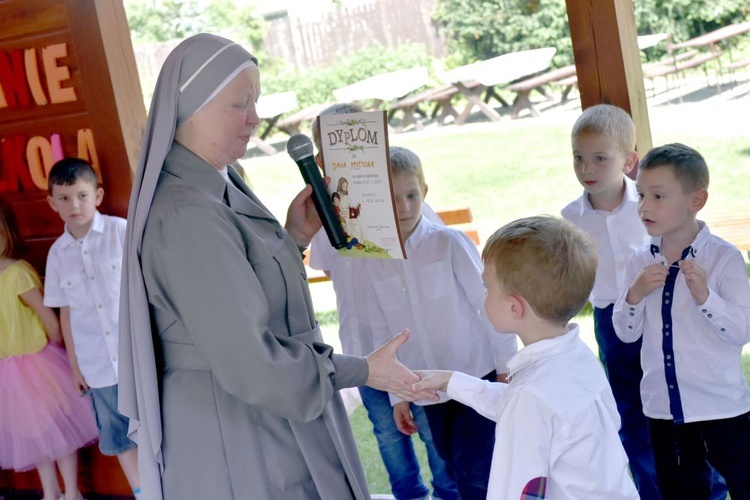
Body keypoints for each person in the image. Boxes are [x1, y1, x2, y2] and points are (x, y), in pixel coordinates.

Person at [117, 33, 432, 500]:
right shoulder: (187, 212)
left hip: (258, 418)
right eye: (239, 104)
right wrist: (361, 371)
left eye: (256, 101)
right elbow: (253, 364)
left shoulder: (214, 183)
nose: (255, 118)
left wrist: (295, 237)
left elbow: (243, 284)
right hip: (237, 432)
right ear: (192, 106)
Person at [414, 215, 640, 499]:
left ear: (514, 307)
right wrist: (452, 381)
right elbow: (521, 405)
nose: (483, 296)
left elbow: (516, 489)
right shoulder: (574, 356)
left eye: (487, 288)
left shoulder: (530, 395)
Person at [310, 104, 456, 500]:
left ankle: (448, 493)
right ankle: (409, 495)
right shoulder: (323, 219)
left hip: (412, 352)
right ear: (322, 159)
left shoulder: (403, 204)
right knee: (387, 436)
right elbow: (325, 267)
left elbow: (435, 251)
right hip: (361, 352)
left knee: (432, 433)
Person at [362, 146, 518, 499]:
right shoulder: (373, 261)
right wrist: (396, 397)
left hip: (474, 376)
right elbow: (381, 332)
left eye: (411, 195)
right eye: (392, 197)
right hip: (426, 389)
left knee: (478, 472)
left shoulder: (448, 243)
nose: (403, 207)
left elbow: (487, 304)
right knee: (449, 465)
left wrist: (505, 365)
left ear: (425, 192)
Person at [613, 143, 750, 500]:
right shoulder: (636, 263)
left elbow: (741, 331)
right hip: (663, 411)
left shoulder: (724, 258)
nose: (644, 206)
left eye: (658, 196)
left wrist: (706, 297)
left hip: (722, 407)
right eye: (641, 195)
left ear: (697, 200)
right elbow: (626, 334)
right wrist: (634, 295)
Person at [560, 103, 659, 499]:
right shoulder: (571, 217)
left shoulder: (649, 205)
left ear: (629, 160)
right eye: (579, 158)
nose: (587, 169)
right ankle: (651, 490)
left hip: (657, 316)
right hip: (610, 322)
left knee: (677, 403)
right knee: (630, 412)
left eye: (600, 158)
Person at [43, 158, 142, 499]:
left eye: (82, 195)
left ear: (97, 195)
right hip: (97, 367)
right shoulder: (57, 255)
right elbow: (66, 314)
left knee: (155, 426)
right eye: (65, 198)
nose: (75, 205)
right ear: (52, 203)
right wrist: (75, 367)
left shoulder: (121, 232)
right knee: (120, 436)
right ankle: (144, 493)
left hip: (136, 357)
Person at [0, 196, 98, 500]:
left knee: (58, 432)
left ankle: (72, 492)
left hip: (37, 364)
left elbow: (50, 321)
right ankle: (51, 492)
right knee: (35, 435)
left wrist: (57, 355)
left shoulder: (17, 273)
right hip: (7, 369)